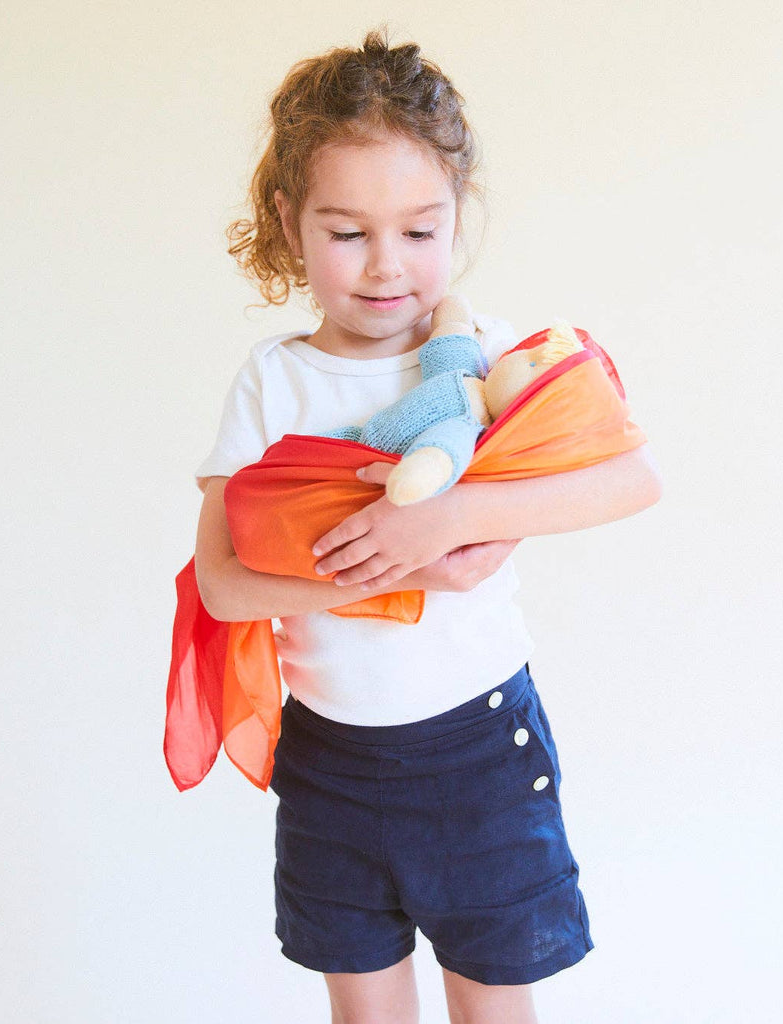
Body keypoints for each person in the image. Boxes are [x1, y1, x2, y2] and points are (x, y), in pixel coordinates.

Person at [193, 29, 661, 1024]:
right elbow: (224, 583)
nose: (385, 267)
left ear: (458, 216)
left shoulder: (481, 358)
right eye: (346, 231)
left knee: (493, 1010)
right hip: (332, 759)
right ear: (288, 222)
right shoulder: (275, 382)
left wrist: (454, 513)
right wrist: (384, 571)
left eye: (419, 228)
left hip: (479, 749)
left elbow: (632, 475)